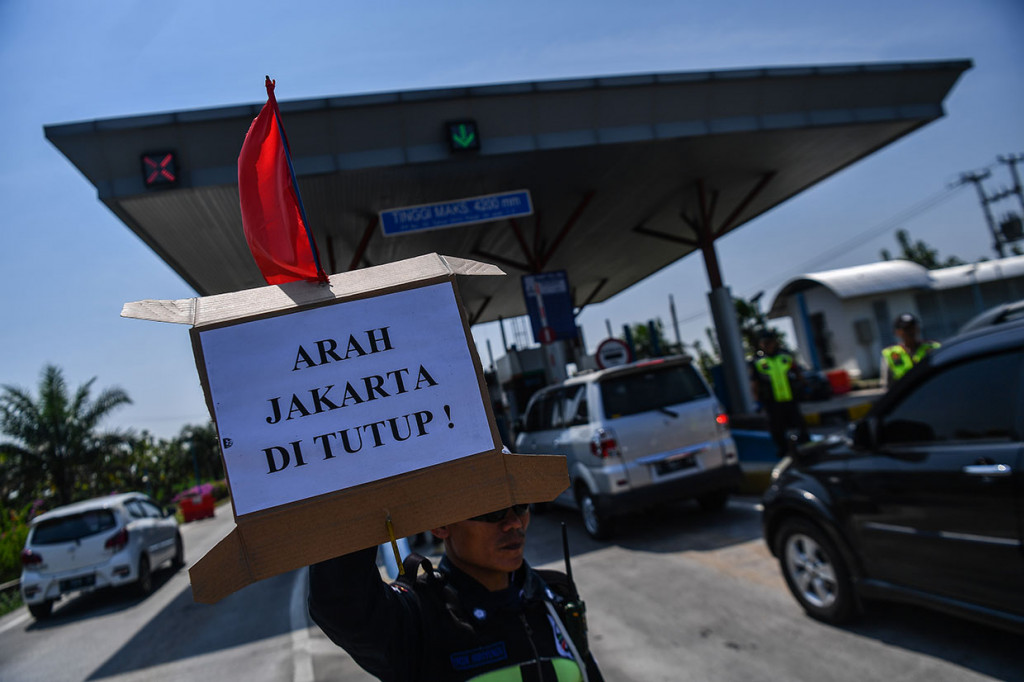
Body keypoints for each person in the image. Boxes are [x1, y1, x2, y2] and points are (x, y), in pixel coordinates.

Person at [308, 502, 604, 681]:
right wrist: (354, 498)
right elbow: (342, 605)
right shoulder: (418, 618)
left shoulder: (553, 593)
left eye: (520, 505)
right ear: (440, 524)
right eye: (492, 510)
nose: (514, 522)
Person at [749, 330, 810, 457]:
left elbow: (797, 372)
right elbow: (755, 383)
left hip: (789, 398)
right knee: (776, 429)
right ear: (760, 344)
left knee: (799, 425)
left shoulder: (785, 356)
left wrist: (805, 386)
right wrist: (757, 401)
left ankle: (807, 448)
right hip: (771, 401)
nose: (767, 345)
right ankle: (785, 452)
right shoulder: (758, 361)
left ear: (775, 342)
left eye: (769, 342)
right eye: (764, 343)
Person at [880, 313, 941, 388]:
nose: (910, 331)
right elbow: (886, 385)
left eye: (912, 327)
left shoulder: (932, 348)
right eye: (906, 329)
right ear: (897, 332)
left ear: (917, 329)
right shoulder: (891, 354)